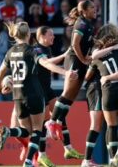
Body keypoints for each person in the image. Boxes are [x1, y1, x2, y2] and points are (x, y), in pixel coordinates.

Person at [0, 21, 44, 167]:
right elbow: (45, 63)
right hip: (33, 93)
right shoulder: (32, 50)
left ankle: (9, 131)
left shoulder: (10, 52)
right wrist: (62, 71)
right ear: (28, 34)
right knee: (37, 130)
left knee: (26, 131)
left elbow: (2, 69)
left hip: (17, 95)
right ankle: (28, 161)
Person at [44, 0, 96, 141]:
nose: (95, 9)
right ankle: (52, 121)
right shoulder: (81, 23)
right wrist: (83, 59)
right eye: (92, 7)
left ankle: (59, 121)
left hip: (80, 62)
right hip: (74, 61)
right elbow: (74, 44)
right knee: (67, 92)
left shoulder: (89, 24)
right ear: (84, 11)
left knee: (71, 96)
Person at [34, 26, 82, 166]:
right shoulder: (36, 50)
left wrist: (65, 55)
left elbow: (50, 61)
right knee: (43, 124)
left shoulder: (47, 49)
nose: (53, 37)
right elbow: (47, 64)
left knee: (59, 116)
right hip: (38, 91)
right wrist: (65, 70)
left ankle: (68, 149)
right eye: (50, 35)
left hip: (47, 89)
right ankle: (42, 155)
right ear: (42, 36)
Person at [91, 23, 118, 167]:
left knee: (111, 126)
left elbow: (89, 72)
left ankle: (112, 159)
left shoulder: (98, 57)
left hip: (107, 91)